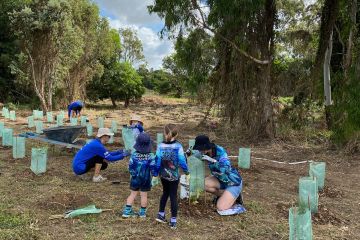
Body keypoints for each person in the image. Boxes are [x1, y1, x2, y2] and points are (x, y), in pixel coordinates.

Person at [192, 135, 245, 216]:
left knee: (221, 208)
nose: (199, 151)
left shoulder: (220, 151)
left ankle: (238, 203)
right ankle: (226, 196)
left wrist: (213, 161)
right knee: (201, 184)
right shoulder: (204, 152)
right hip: (220, 179)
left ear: (206, 147)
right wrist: (188, 154)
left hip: (232, 182)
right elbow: (193, 155)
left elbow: (225, 169)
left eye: (200, 149)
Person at [154, 124, 189, 229]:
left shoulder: (160, 146)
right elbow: (182, 161)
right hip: (174, 176)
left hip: (163, 175)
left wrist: (155, 174)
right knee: (173, 195)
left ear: (164, 133)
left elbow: (157, 161)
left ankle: (161, 214)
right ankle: (173, 221)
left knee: (165, 193)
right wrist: (187, 172)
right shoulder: (178, 146)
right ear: (177, 134)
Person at [122, 132, 156, 218]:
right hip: (146, 179)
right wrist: (155, 176)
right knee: (144, 195)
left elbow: (130, 167)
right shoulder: (151, 156)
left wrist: (133, 174)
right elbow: (153, 168)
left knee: (132, 194)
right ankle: (142, 213)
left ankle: (126, 211)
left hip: (135, 178)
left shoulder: (134, 155)